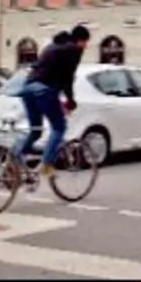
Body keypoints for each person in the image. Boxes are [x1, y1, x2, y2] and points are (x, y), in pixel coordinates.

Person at [17, 24, 90, 178]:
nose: (86, 46)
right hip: (44, 90)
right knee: (59, 127)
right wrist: (71, 101)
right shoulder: (74, 50)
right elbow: (67, 78)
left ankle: (15, 161)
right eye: (86, 42)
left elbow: (51, 71)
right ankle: (47, 164)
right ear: (81, 41)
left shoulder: (52, 46)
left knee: (35, 130)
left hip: (28, 88)